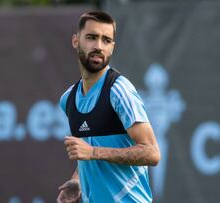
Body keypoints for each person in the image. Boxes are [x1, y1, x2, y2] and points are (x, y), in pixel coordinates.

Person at [57, 10, 160, 203]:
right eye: (91, 37)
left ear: (112, 48)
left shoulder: (119, 91)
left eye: (106, 40)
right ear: (75, 41)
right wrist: (78, 180)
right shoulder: (68, 99)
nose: (98, 46)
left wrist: (93, 153)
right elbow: (89, 150)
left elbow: (152, 152)